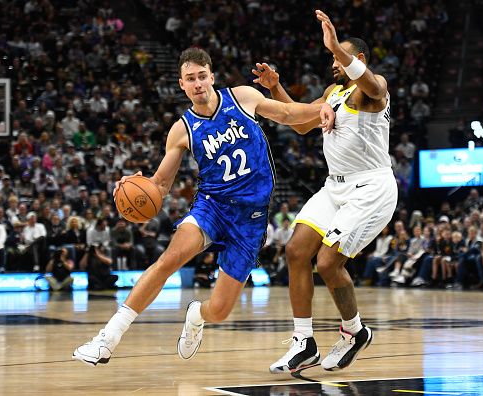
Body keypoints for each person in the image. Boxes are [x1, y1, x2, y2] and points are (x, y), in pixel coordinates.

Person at [72, 47, 334, 366]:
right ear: (182, 85)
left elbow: (289, 115)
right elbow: (161, 185)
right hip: (212, 207)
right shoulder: (182, 129)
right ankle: (108, 339)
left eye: (201, 77)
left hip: (250, 220)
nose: (197, 84)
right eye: (189, 79)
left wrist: (329, 105)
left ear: (212, 77)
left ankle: (196, 315)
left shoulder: (243, 97)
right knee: (170, 258)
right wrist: (134, 185)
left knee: (220, 310)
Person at [253, 10, 396, 372]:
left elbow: (375, 88)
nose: (333, 62)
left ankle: (354, 331)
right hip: (335, 187)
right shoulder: (333, 93)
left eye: (339, 56)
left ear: (358, 59)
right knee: (297, 251)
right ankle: (304, 342)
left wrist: (336, 45)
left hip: (371, 187)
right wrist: (275, 89)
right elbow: (301, 123)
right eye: (332, 56)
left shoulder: (372, 89)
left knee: (328, 262)